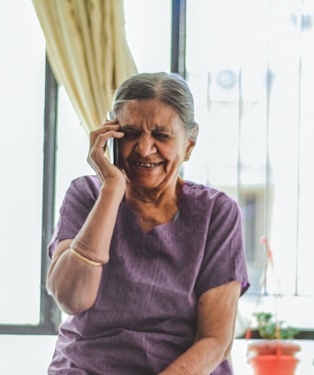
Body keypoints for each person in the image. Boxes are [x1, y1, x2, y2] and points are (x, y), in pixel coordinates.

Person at [46, 72, 250, 374]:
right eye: (129, 133)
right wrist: (111, 190)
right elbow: (72, 299)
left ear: (189, 144)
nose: (143, 148)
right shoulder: (87, 194)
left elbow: (215, 340)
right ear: (110, 134)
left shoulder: (216, 213)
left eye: (161, 135)